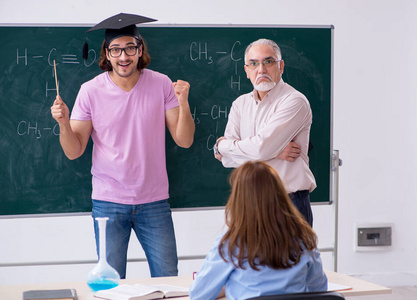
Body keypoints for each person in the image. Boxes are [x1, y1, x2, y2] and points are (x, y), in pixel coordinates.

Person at [50, 13, 195, 279]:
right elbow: (74, 151)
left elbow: (184, 140)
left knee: (169, 279)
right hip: (108, 202)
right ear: (107, 53)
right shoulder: (90, 91)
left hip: (154, 201)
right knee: (111, 285)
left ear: (140, 49)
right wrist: (63, 123)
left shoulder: (162, 83)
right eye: (116, 49)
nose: (123, 56)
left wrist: (184, 104)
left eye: (130, 47)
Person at [214, 38, 316, 227]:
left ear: (281, 66)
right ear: (246, 71)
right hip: (250, 203)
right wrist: (274, 152)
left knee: (293, 258)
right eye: (253, 64)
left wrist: (222, 145)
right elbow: (227, 161)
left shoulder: (294, 101)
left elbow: (258, 149)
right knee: (250, 258)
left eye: (268, 62)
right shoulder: (240, 104)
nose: (261, 70)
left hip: (289, 204)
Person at [189, 161, 327, 300]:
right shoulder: (302, 237)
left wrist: (227, 286)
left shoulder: (231, 242)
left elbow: (199, 295)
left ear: (238, 199)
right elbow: (319, 288)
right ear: (281, 194)